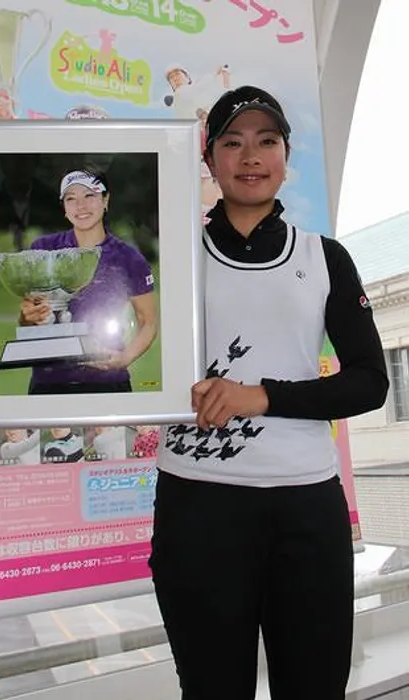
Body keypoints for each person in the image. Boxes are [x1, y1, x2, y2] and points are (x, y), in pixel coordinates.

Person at [148, 86, 389, 700]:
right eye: (232, 142)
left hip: (306, 508)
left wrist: (261, 397)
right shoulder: (168, 257)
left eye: (267, 141)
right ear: (208, 159)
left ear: (285, 156)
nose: (250, 156)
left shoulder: (325, 257)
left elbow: (369, 380)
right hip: (198, 506)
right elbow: (94, 335)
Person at [19, 169, 158, 394]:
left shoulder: (129, 258)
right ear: (64, 208)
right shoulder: (43, 249)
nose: (80, 206)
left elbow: (148, 321)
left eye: (89, 196)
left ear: (105, 200)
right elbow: (30, 318)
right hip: (48, 384)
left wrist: (125, 358)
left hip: (107, 382)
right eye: (71, 199)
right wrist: (27, 317)